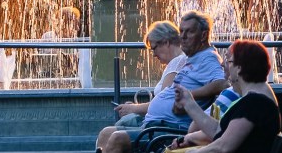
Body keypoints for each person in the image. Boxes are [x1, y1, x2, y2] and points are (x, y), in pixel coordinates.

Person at [96, 11, 226, 153]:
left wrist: (188, 96)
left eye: (189, 32)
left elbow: (223, 84)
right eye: (181, 31)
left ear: (203, 35)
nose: (182, 37)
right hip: (156, 125)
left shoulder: (208, 57)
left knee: (117, 138)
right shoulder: (193, 58)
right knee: (106, 133)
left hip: (171, 129)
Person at [170, 39, 280, 153]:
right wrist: (189, 103)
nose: (223, 64)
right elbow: (218, 131)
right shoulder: (258, 99)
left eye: (229, 61)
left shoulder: (254, 103)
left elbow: (223, 147)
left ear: (239, 67)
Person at [112, 21, 187, 127]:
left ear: (166, 42)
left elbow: (163, 103)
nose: (154, 55)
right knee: (113, 130)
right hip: (162, 123)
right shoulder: (177, 62)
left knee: (108, 132)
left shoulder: (177, 62)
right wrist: (134, 107)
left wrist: (134, 108)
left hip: (163, 126)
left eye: (154, 48)